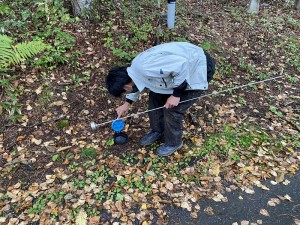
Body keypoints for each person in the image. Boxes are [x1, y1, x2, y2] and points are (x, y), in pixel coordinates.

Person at [106, 42, 216, 156]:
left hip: (198, 66)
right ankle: (158, 131)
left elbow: (182, 65)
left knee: (172, 110)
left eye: (124, 92)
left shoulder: (145, 68)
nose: (126, 92)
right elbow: (138, 83)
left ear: (126, 86)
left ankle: (174, 142)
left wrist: (176, 95)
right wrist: (127, 103)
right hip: (176, 74)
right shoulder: (135, 70)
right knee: (155, 100)